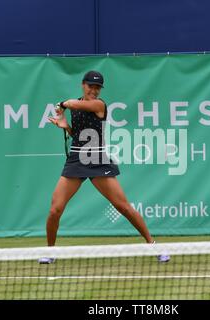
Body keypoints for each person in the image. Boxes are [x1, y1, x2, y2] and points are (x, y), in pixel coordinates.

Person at [39, 70, 169, 264]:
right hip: (76, 159)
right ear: (83, 85)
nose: (94, 90)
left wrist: (62, 104)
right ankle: (50, 252)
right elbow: (79, 134)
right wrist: (65, 126)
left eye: (97, 87)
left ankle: (154, 245)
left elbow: (72, 103)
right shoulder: (76, 105)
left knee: (122, 206)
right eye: (91, 86)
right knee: (54, 210)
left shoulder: (99, 105)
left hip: (97, 160)